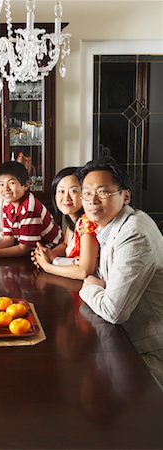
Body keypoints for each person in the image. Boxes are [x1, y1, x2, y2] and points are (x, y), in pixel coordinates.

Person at [78, 156, 163, 388]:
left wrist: (89, 288)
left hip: (149, 353)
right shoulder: (115, 226)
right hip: (126, 343)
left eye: (103, 192)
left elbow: (114, 311)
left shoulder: (134, 233)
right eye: (86, 193)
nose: (92, 200)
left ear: (125, 196)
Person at [0, 161, 63, 258]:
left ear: (26, 185)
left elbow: (23, 249)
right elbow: (8, 239)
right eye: (1, 184)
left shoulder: (30, 208)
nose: (6, 188)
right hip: (32, 251)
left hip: (53, 251)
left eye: (11, 183)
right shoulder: (7, 204)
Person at [31, 167, 99, 280]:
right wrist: (48, 254)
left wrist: (47, 266)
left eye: (74, 191)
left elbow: (85, 271)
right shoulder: (73, 220)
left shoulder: (87, 223)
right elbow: (66, 245)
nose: (66, 198)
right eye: (61, 191)